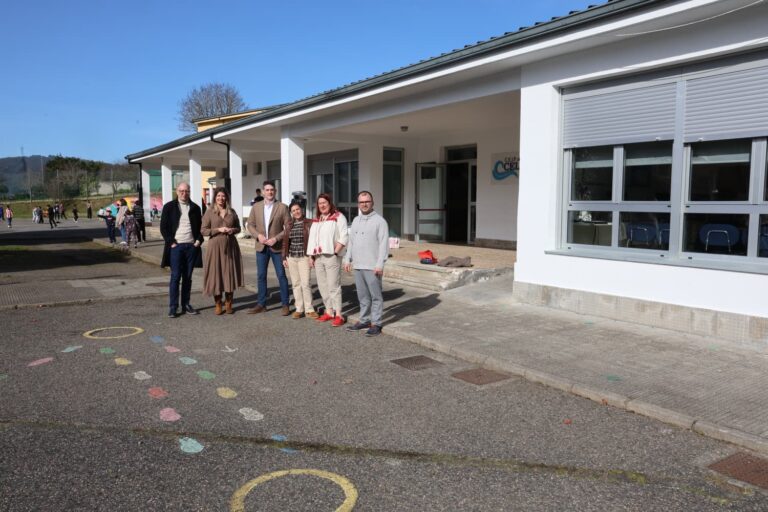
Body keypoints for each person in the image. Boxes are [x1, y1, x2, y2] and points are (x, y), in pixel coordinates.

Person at [344, 191, 389, 337]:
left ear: (372, 202)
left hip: (372, 266)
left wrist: (380, 264)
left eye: (367, 201)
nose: (364, 204)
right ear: (358, 204)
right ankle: (364, 320)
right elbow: (351, 242)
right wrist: (347, 258)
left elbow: (383, 245)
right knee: (363, 296)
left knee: (376, 296)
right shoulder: (356, 220)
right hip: (358, 265)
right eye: (361, 202)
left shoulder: (380, 221)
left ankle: (376, 323)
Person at [246, 180, 291, 315]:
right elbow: (250, 224)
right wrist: (258, 235)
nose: (270, 192)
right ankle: (261, 304)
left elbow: (289, 227)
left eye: (272, 190)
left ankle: (285, 304)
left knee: (281, 275)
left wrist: (276, 238)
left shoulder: (282, 207)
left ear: (275, 191)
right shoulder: (256, 207)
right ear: (263, 191)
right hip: (261, 246)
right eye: (267, 190)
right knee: (261, 276)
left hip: (276, 247)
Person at [160, 182, 204, 318]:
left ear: (189, 192)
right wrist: (171, 242)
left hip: (191, 247)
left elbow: (202, 227)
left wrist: (198, 241)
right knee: (175, 277)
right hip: (176, 247)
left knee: (188, 277)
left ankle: (186, 304)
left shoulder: (196, 208)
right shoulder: (169, 207)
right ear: (177, 191)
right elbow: (163, 227)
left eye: (186, 191)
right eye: (181, 191)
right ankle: (173, 307)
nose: (184, 193)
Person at [307, 193, 348, 327]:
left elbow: (344, 236)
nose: (322, 205)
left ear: (330, 203)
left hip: (331, 256)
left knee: (333, 285)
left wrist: (336, 252)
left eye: (325, 202)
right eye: (320, 203)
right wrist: (311, 256)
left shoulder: (338, 217)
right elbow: (312, 238)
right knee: (322, 285)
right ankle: (329, 311)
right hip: (318, 257)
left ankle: (339, 314)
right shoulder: (317, 219)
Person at [201, 188, 244, 315]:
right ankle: (218, 303)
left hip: (230, 246)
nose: (221, 198)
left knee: (229, 273)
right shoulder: (209, 212)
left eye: (223, 196)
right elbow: (203, 230)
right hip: (215, 247)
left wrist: (232, 230)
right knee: (217, 274)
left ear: (227, 198)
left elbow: (238, 228)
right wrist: (218, 230)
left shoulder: (232, 212)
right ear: (215, 197)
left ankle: (229, 303)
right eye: (219, 196)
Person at [282, 202, 317, 319]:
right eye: (293, 211)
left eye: (297, 209)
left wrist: (312, 256)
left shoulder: (310, 223)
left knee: (306, 283)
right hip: (291, 257)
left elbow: (314, 240)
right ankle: (299, 309)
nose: (296, 212)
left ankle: (309, 309)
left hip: (304, 257)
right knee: (296, 284)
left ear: (301, 209)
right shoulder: (288, 224)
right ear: (291, 213)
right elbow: (285, 242)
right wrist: (284, 257)